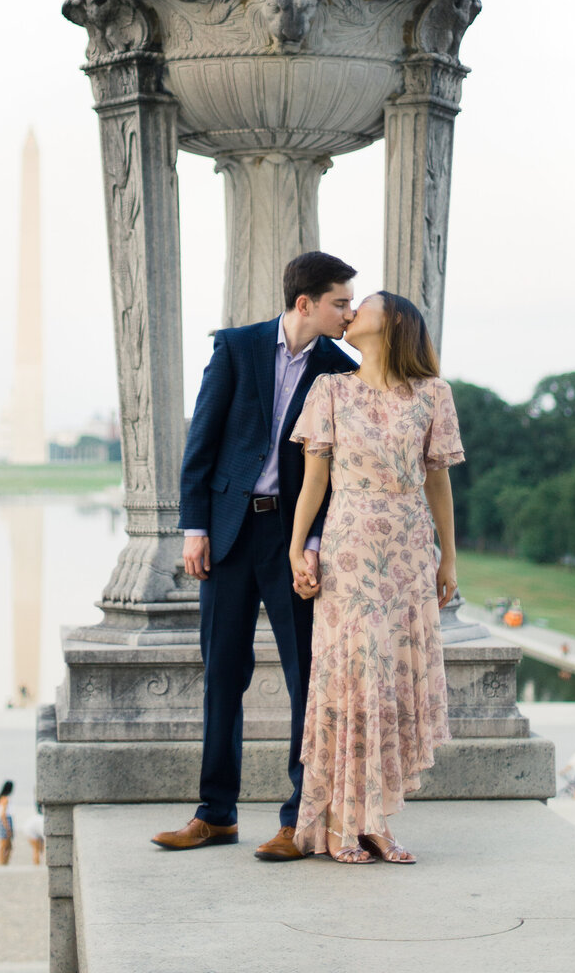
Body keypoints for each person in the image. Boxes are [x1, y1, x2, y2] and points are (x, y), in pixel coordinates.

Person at [151, 252, 358, 860]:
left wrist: (313, 545)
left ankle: (298, 818)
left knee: (305, 680)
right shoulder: (237, 349)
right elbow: (203, 440)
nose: (348, 313)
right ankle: (214, 814)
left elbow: (335, 471)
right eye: (340, 303)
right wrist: (195, 526)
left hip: (292, 541)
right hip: (228, 533)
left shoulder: (339, 371)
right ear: (305, 304)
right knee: (222, 675)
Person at [287, 291, 463, 862]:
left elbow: (438, 480)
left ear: (392, 325)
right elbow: (314, 482)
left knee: (391, 681)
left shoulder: (433, 395)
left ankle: (377, 821)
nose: (349, 314)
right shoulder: (330, 390)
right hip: (351, 552)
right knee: (353, 681)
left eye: (360, 306)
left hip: (410, 553)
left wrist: (448, 557)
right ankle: (340, 822)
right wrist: (297, 550)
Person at [0, 779, 15, 864]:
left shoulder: (1, 798)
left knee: (7, 845)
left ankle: (3, 862)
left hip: (5, 820)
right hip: (6, 821)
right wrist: (8, 828)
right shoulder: (5, 799)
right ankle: (2, 862)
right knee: (5, 845)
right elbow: (3, 814)